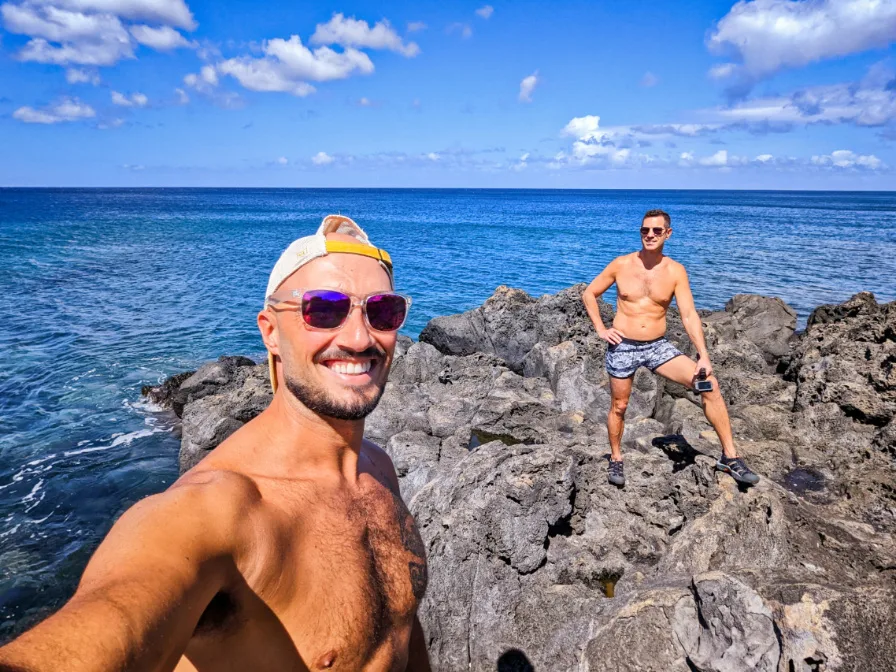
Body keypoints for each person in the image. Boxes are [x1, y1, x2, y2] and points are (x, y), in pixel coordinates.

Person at [0, 215, 431, 672]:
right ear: (270, 332)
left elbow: (401, 634)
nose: (359, 337)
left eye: (382, 310)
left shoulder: (378, 471)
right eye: (323, 309)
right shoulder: (213, 513)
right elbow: (115, 616)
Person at [582, 209, 759, 488]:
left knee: (708, 384)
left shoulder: (675, 271)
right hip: (623, 345)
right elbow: (589, 293)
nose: (649, 235)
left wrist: (703, 355)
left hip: (657, 346)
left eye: (656, 230)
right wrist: (601, 329)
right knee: (620, 406)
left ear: (667, 233)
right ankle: (616, 457)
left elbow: (688, 314)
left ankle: (730, 456)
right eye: (644, 230)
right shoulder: (621, 264)